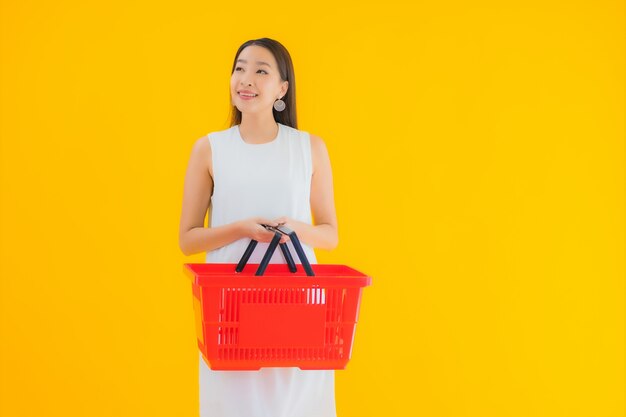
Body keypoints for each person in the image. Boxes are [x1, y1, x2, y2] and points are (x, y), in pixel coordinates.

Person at [178, 38, 339, 417]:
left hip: (298, 313)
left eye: (260, 71)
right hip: (229, 317)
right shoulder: (210, 149)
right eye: (239, 68)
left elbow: (330, 234)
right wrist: (242, 229)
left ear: (282, 89)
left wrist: (295, 228)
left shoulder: (309, 148)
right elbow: (188, 239)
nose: (245, 79)